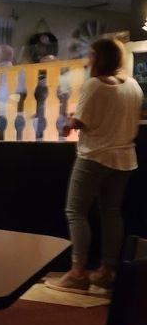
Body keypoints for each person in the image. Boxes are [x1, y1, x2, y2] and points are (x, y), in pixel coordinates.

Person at [45, 38, 142, 295]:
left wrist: (67, 123)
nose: (88, 61)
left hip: (95, 156)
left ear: (99, 59)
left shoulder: (94, 86)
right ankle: (107, 271)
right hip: (124, 159)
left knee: (75, 211)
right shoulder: (133, 85)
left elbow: (79, 123)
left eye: (91, 56)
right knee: (111, 212)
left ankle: (78, 273)